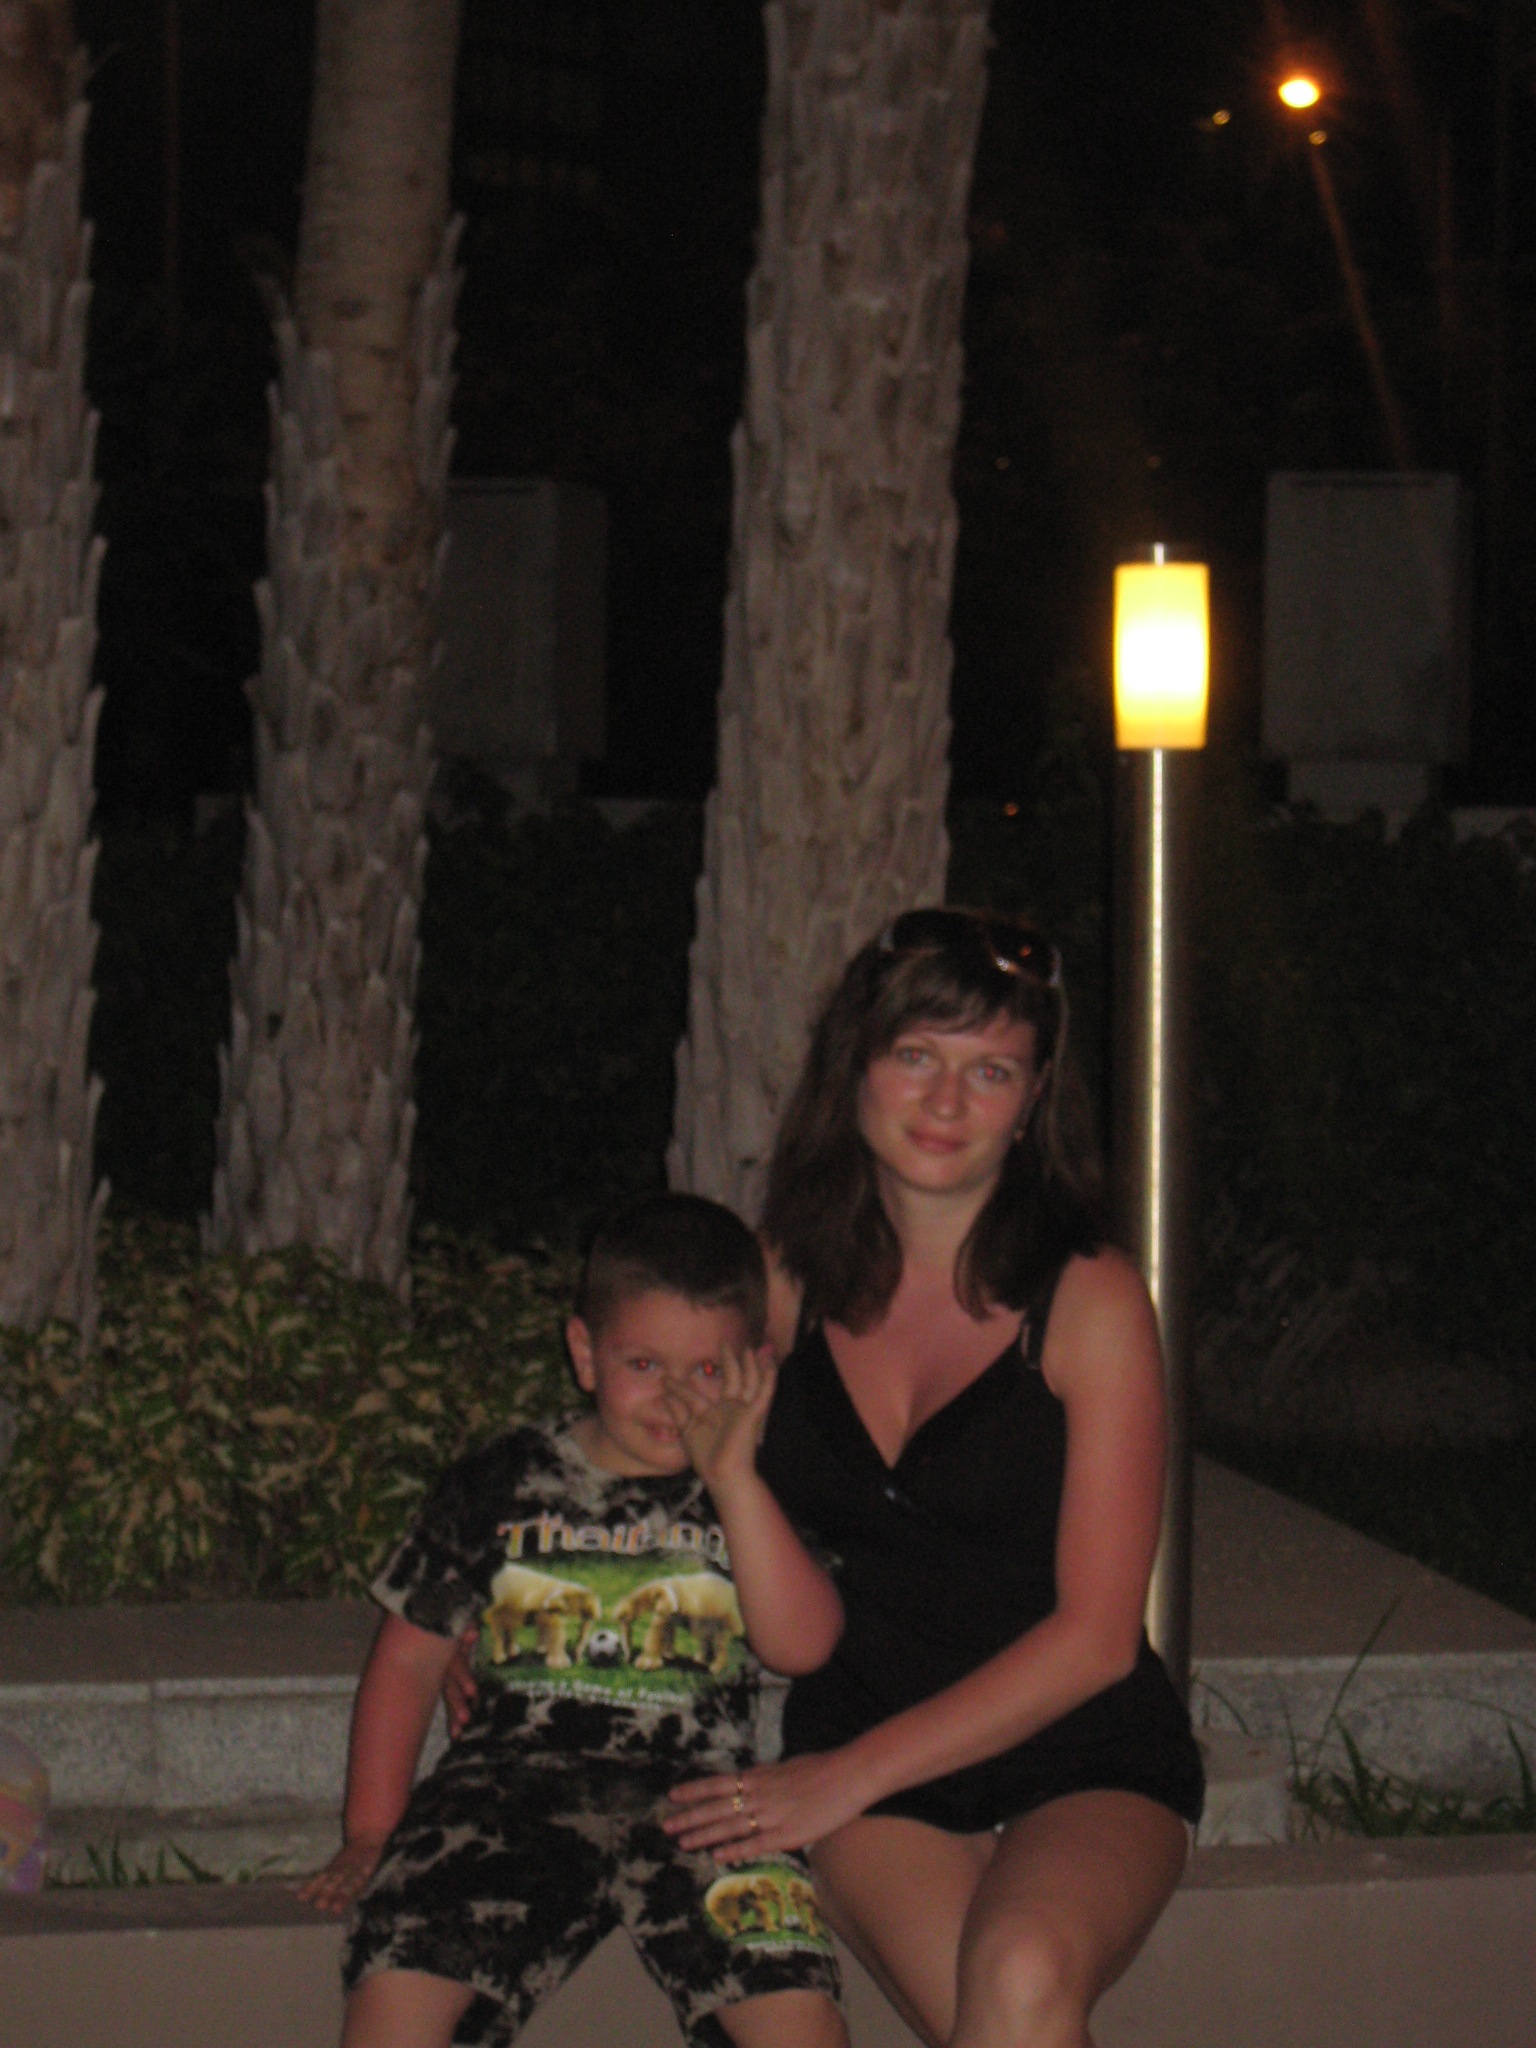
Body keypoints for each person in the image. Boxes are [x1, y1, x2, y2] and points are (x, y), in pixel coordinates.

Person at [661, 909, 1205, 2048]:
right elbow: (646, 1451)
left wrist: (838, 1779)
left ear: (1034, 1099)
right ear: (855, 1066)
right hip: (873, 1736)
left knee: (1021, 1973)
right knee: (1008, 2019)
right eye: (916, 1055)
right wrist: (490, 1619)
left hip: (1080, 1744)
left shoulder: (1090, 1298)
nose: (947, 1101)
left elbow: (1097, 1639)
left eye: (991, 1070)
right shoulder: (781, 1280)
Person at [300, 1192, 849, 2048]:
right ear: (586, 1354)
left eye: (708, 1371)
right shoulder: (502, 1479)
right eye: (644, 1364)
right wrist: (370, 1832)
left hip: (704, 1797)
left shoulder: (759, 1490)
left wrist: (736, 1480)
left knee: (798, 2018)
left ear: (755, 1369)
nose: (675, 1398)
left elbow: (804, 1645)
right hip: (505, 1787)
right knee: (395, 1996)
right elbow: (407, 1663)